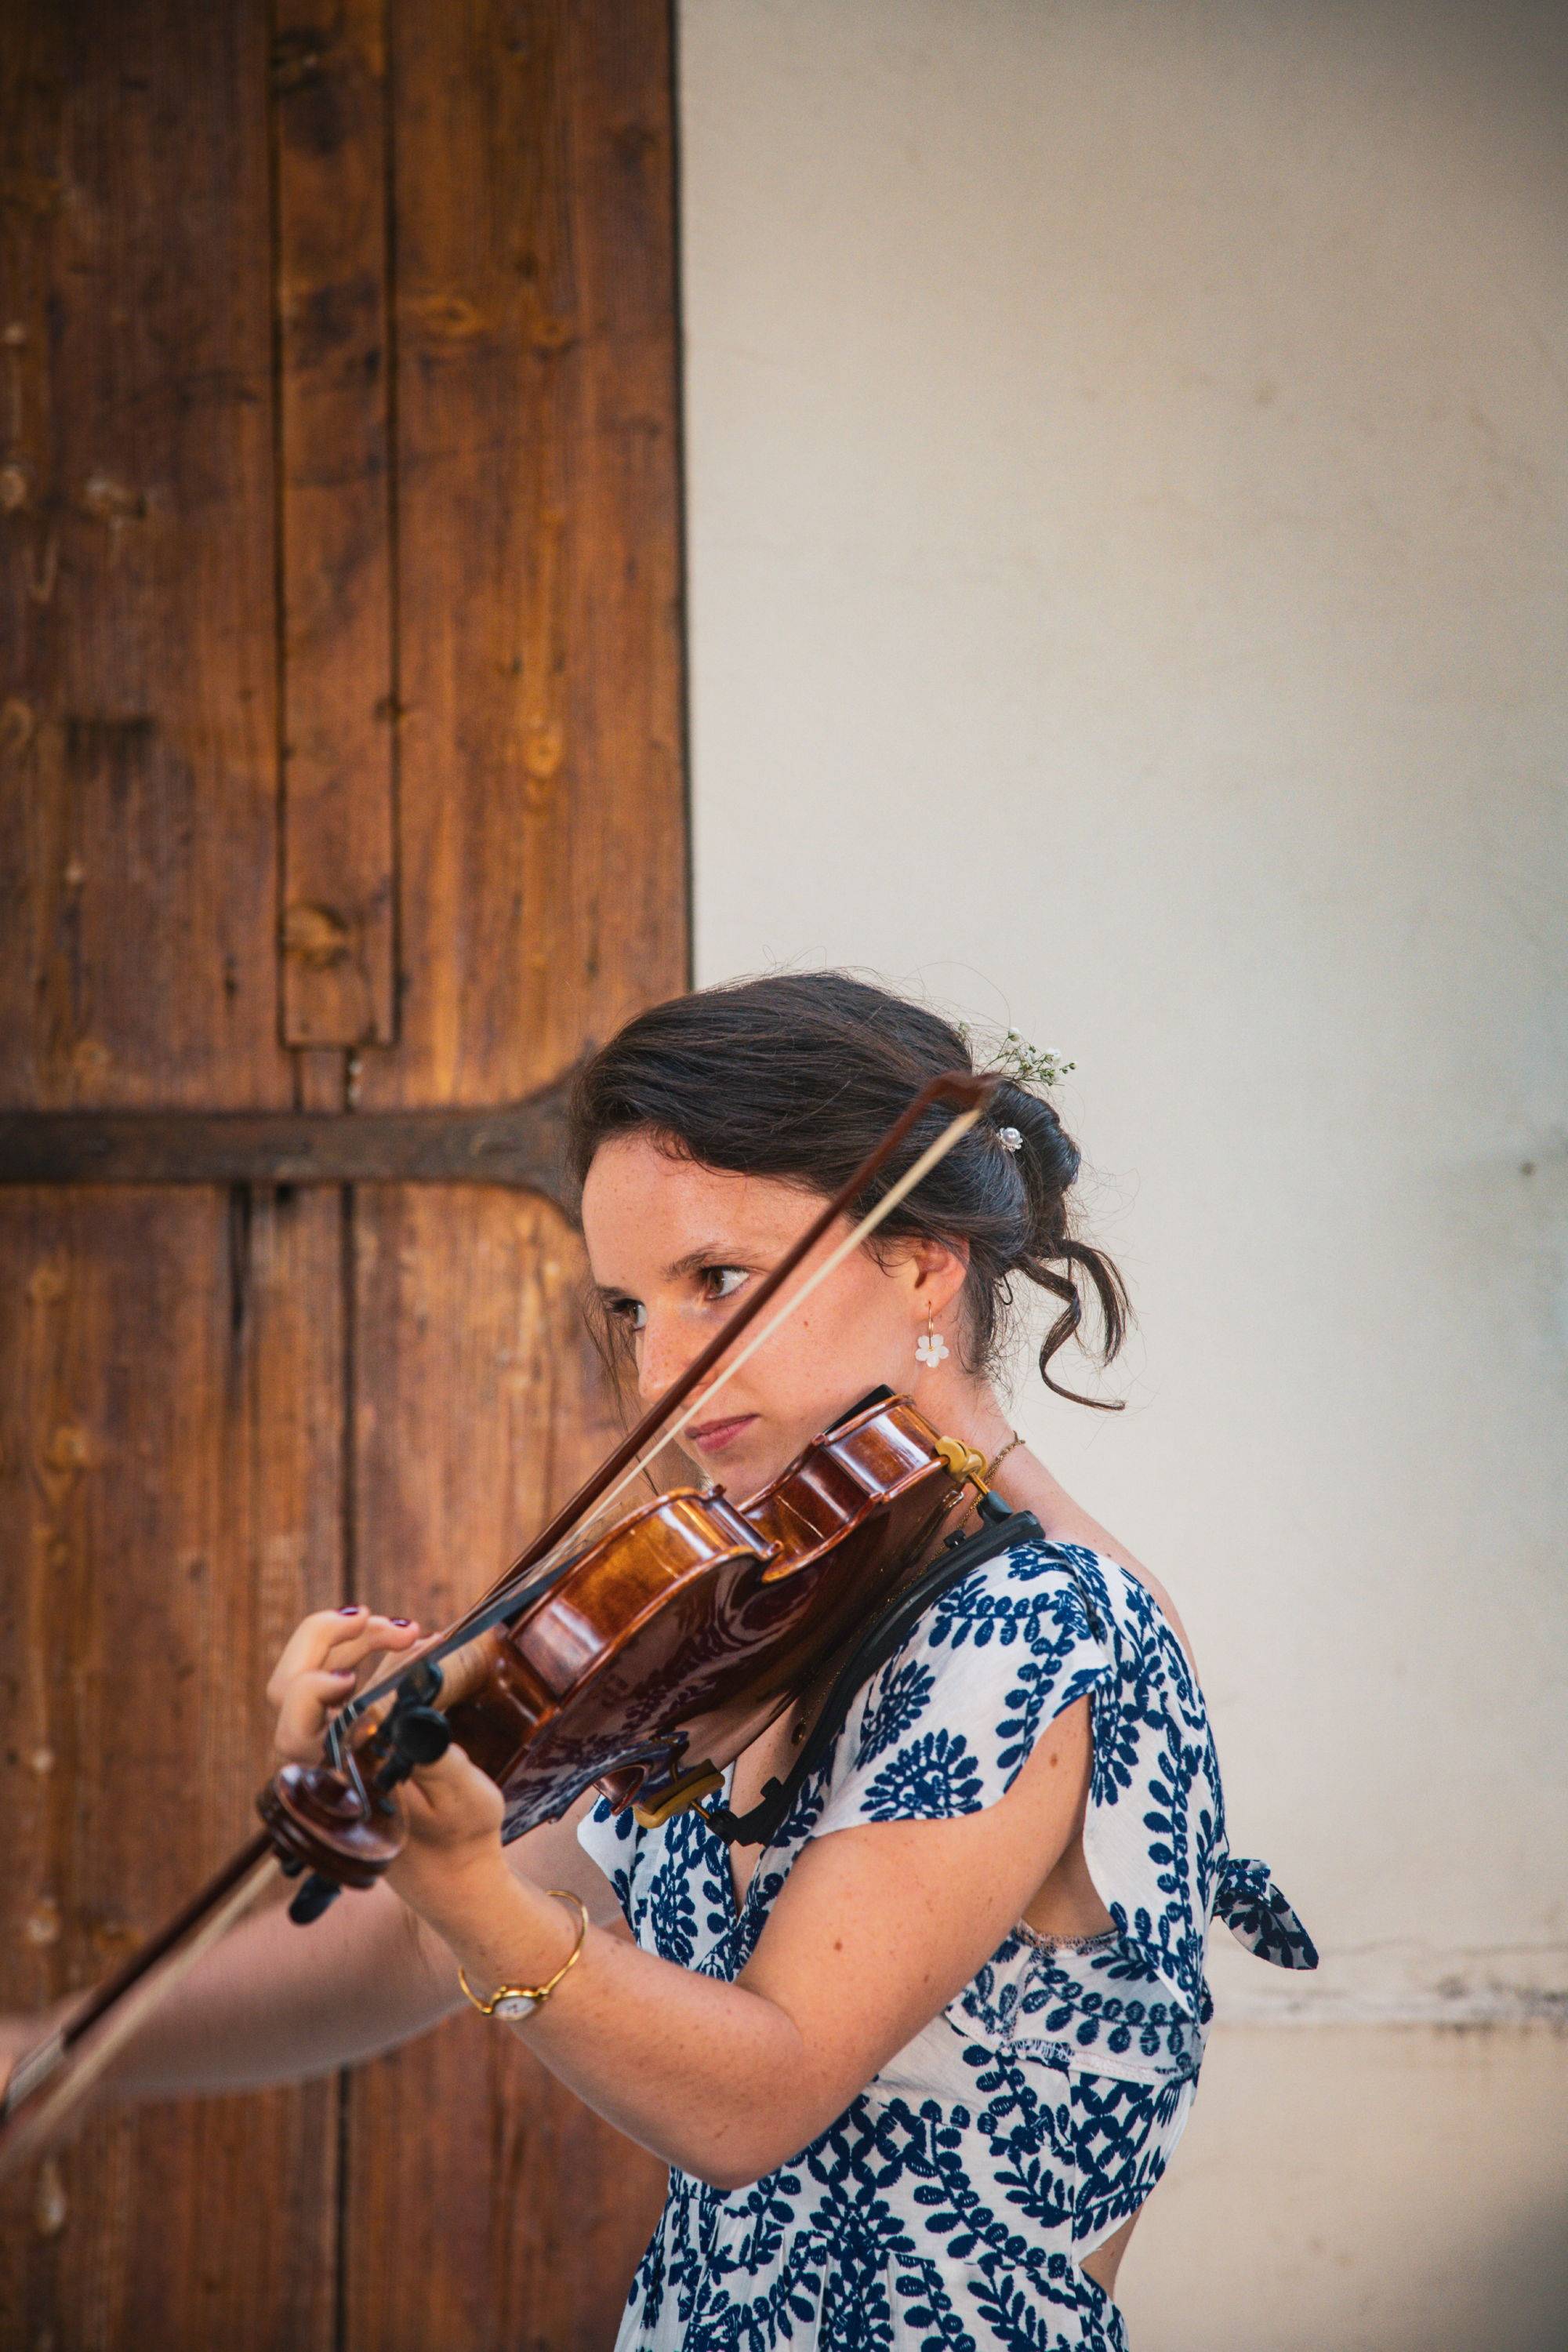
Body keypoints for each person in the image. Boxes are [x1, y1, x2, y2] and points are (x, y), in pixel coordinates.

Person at [1, 972, 1316, 2351]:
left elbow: (758, 2096)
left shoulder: (1036, 1625)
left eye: (718, 1283)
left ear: (923, 1263)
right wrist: (64, 2059)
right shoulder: (769, 1634)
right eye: (631, 1308)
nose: (661, 1372)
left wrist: (475, 1901)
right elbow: (401, 1950)